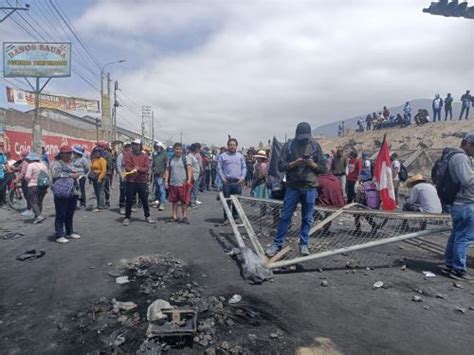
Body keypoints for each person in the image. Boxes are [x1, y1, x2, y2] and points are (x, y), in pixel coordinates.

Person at [265, 122, 325, 257]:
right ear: (296, 134)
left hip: (309, 187)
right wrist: (294, 163)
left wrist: (312, 164)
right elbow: (280, 166)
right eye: (301, 136)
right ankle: (277, 244)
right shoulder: (289, 146)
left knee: (308, 218)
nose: (303, 139)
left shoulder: (315, 146)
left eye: (306, 137)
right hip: (292, 187)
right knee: (285, 216)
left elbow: (323, 169)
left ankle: (304, 244)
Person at [443, 133, 474, 280]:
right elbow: (468, 181)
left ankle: (450, 263)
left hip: (459, 202)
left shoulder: (454, 156)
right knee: (464, 237)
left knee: (457, 234)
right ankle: (459, 269)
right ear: (466, 143)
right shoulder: (461, 158)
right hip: (465, 202)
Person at [50, 145, 81, 244]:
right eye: (66, 153)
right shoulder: (57, 164)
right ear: (61, 154)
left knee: (69, 213)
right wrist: (70, 175)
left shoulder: (71, 163)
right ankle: (59, 234)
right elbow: (55, 175)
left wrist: (77, 175)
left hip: (72, 192)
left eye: (70, 153)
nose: (68, 155)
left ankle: (69, 232)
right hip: (62, 192)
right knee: (61, 214)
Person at [122, 139, 154, 226]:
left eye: (137, 145)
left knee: (144, 199)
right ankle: (127, 217)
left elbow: (146, 167)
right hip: (131, 180)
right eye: (134, 144)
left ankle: (147, 216)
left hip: (142, 181)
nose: (135, 146)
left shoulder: (145, 156)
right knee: (129, 200)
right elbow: (127, 165)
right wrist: (132, 170)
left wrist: (138, 169)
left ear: (140, 146)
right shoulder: (128, 154)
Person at [217, 138, 247, 224]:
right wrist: (222, 178)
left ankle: (235, 217)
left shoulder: (240, 156)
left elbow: (244, 167)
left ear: (237, 146)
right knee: (226, 201)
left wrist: (242, 177)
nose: (232, 146)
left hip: (237, 182)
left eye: (234, 145)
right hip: (227, 182)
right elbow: (219, 168)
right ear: (228, 146)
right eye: (230, 145)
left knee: (236, 201)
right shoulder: (223, 156)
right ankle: (226, 218)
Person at [164, 142, 193, 224]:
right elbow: (167, 170)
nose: (178, 151)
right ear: (174, 150)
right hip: (173, 184)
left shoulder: (186, 158)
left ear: (182, 150)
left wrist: (189, 180)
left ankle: (184, 216)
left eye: (179, 149)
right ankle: (174, 216)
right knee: (174, 202)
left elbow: (189, 169)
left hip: (183, 184)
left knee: (184, 202)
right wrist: (166, 181)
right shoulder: (170, 159)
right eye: (176, 149)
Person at [24, 152, 49, 224]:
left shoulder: (31, 165)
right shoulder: (44, 165)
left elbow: (27, 176)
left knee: (33, 201)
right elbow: (47, 175)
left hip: (33, 185)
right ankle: (37, 216)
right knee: (39, 201)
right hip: (43, 186)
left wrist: (28, 181)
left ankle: (38, 216)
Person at [151, 142, 168, 211]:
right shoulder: (155, 155)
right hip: (155, 174)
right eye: (156, 147)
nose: (157, 148)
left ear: (161, 147)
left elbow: (167, 166)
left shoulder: (165, 155)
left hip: (161, 174)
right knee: (157, 189)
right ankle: (158, 201)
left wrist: (165, 174)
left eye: (158, 147)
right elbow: (153, 165)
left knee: (161, 189)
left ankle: (162, 203)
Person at [90, 147, 107, 212]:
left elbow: (104, 170)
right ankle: (98, 204)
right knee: (96, 192)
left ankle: (100, 206)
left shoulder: (102, 160)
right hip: (94, 177)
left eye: (98, 152)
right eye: (95, 152)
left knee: (100, 192)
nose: (96, 153)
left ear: (100, 153)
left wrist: (100, 178)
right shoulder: (94, 159)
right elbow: (91, 167)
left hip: (100, 176)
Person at [116, 142, 131, 215]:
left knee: (130, 192)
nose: (128, 148)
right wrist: (121, 175)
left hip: (130, 176)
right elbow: (118, 166)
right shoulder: (121, 156)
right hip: (123, 175)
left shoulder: (131, 155)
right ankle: (122, 206)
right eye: (126, 147)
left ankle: (129, 206)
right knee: (123, 191)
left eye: (129, 146)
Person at [188, 143, 202, 208]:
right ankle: (190, 202)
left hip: (195, 176)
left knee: (193, 189)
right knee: (191, 189)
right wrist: (192, 176)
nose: (199, 149)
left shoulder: (194, 156)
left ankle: (191, 201)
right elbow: (189, 167)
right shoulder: (190, 156)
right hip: (192, 176)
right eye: (198, 148)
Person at [0, 142, 9, 207]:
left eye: (2, 146)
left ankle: (2, 202)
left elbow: (6, 164)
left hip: (1, 175)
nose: (1, 148)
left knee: (2, 189)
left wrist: (9, 170)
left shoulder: (3, 155)